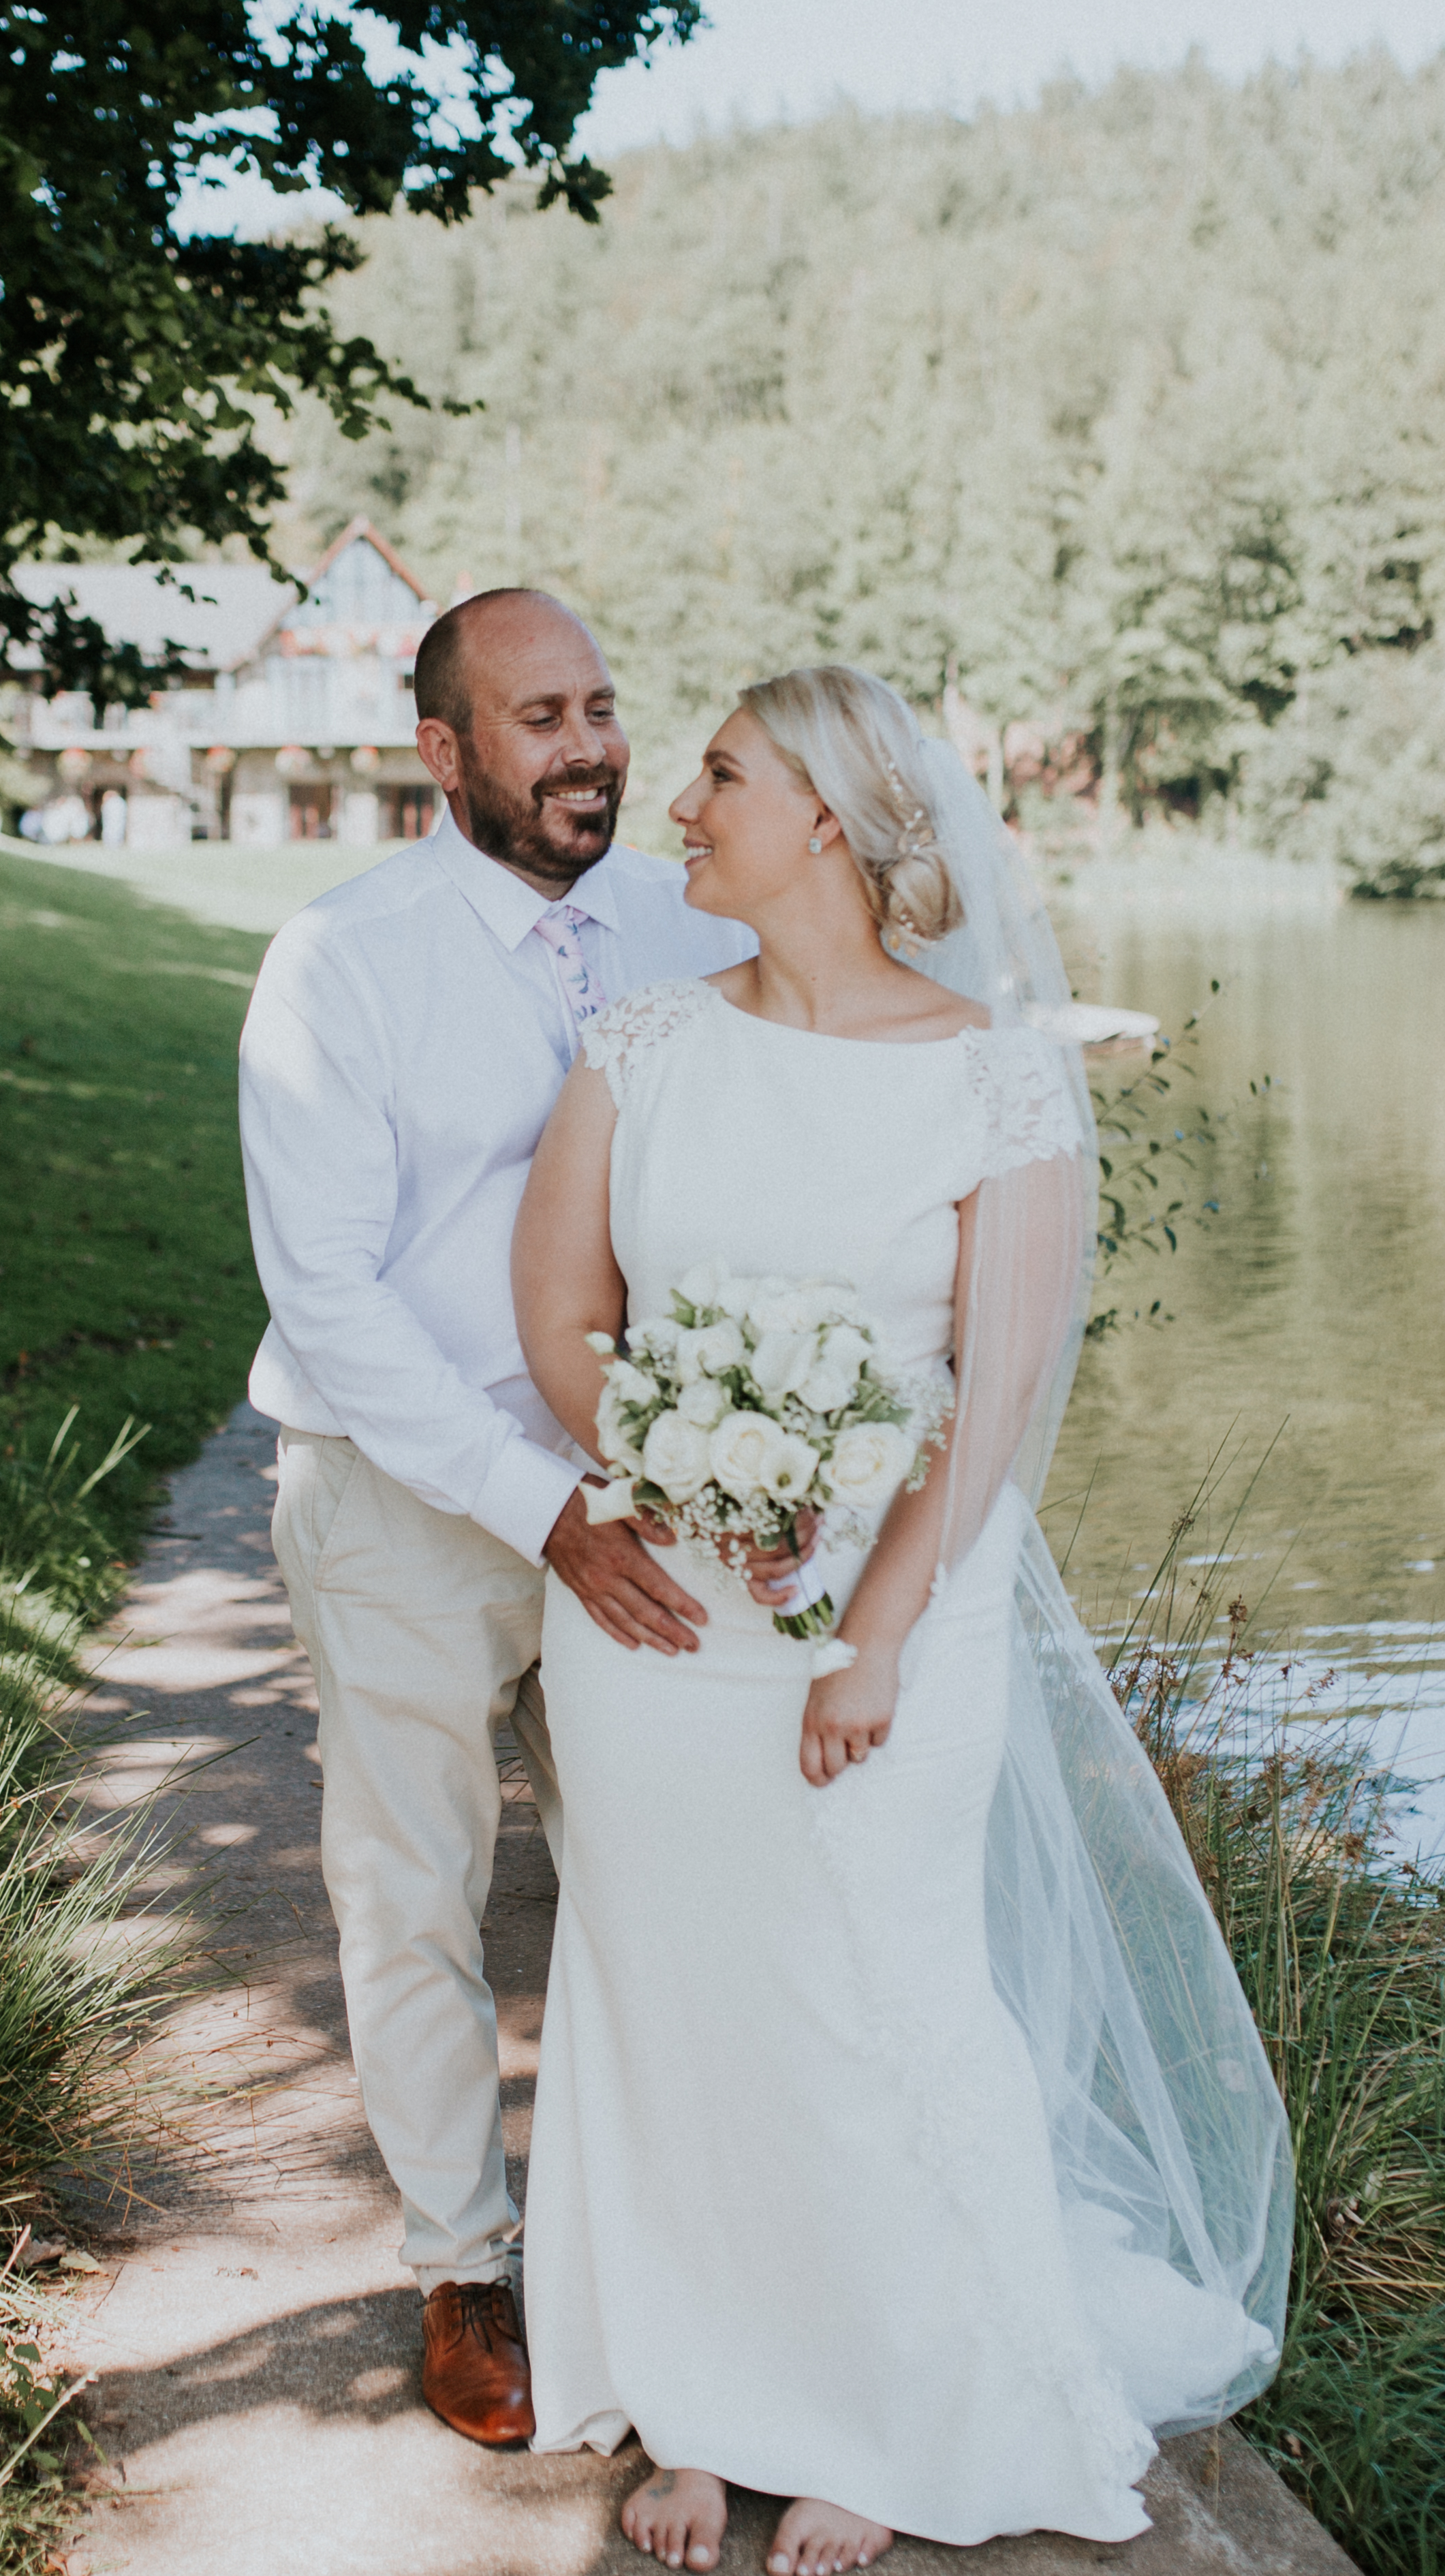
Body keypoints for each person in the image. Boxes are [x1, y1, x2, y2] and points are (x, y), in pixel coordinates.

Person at [510, 666, 1296, 2573]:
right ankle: (700, 2399)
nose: (679, 803)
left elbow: (996, 1401)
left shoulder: (994, 1079)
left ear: (832, 823)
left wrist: (868, 1625)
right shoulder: (644, 1044)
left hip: (888, 1623)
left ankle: (886, 2414)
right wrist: (687, 1470)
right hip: (658, 1626)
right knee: (672, 1989)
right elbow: (560, 1324)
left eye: (722, 776)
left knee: (873, 1993)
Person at [236, 588, 756, 2445]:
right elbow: (331, 1302)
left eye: (604, 707)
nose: (589, 748)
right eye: (540, 718)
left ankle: (680, 2245)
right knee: (415, 1886)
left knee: (673, 1865)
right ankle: (465, 2263)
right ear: (444, 752)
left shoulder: (691, 927)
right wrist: (541, 1507)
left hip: (651, 1490)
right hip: (411, 1493)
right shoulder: (339, 969)